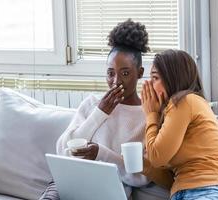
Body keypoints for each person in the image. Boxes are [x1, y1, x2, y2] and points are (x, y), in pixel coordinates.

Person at [40, 19, 172, 200]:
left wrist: (101, 154)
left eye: (125, 73)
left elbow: (141, 177)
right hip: (71, 182)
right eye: (111, 73)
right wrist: (99, 113)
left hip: (109, 191)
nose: (116, 81)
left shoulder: (146, 115)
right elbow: (62, 149)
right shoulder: (93, 104)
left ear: (139, 73)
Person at [141, 49, 218, 200]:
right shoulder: (174, 112)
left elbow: (157, 157)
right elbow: (171, 178)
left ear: (173, 78)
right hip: (182, 192)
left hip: (208, 189)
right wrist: (143, 165)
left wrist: (151, 114)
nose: (149, 86)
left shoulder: (184, 101)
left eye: (155, 78)